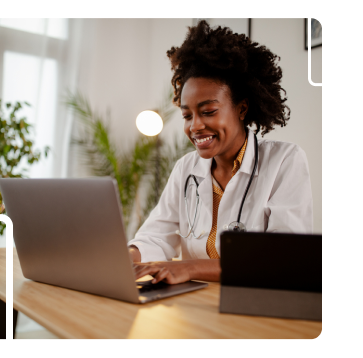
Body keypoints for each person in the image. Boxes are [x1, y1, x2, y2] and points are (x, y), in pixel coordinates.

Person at [128, 20, 313, 285]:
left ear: (241, 108)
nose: (195, 126)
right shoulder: (186, 168)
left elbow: (281, 259)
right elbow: (155, 237)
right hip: (196, 303)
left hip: (252, 306)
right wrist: (126, 257)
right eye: (186, 115)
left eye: (208, 112)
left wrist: (190, 268)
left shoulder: (285, 161)